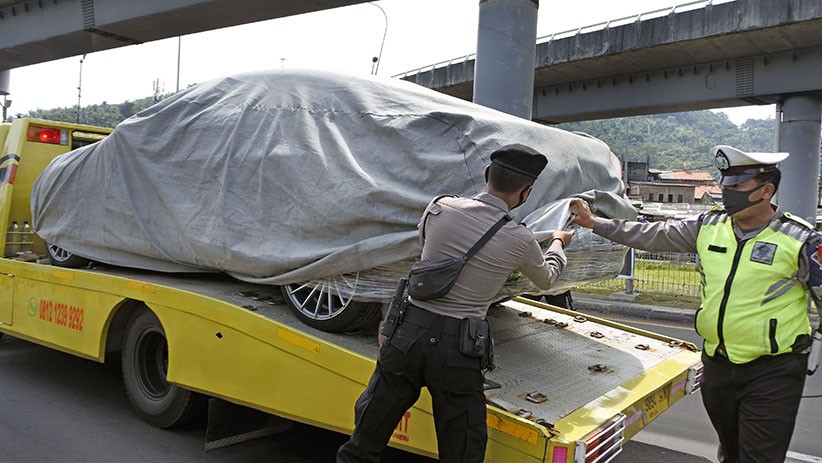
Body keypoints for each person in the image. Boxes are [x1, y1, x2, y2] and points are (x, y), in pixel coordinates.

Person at [570, 145, 822, 463]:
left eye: (736, 187)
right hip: (717, 364)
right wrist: (595, 223)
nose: (726, 193)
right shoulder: (708, 226)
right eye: (725, 185)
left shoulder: (799, 239)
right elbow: (652, 234)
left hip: (773, 370)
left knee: (759, 457)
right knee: (731, 451)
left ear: (766, 190)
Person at [336, 143, 575, 463]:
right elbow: (546, 279)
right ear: (527, 192)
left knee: (367, 435)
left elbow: (430, 250)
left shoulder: (439, 208)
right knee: (462, 448)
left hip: (408, 333)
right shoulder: (520, 239)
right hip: (459, 349)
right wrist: (558, 242)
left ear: (487, 173)